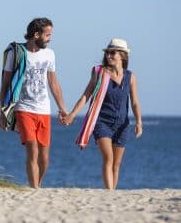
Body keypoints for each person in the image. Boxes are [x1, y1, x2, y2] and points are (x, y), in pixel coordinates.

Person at [61, 38, 143, 189]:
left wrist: (139, 122)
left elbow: (135, 102)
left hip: (122, 124)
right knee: (108, 158)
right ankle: (109, 193)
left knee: (116, 165)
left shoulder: (130, 77)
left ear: (123, 56)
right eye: (107, 53)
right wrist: (72, 114)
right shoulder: (99, 73)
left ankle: (112, 193)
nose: (109, 56)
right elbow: (86, 95)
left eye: (113, 53)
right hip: (101, 122)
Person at [0, 18, 68, 188]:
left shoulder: (49, 54)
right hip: (23, 108)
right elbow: (5, 83)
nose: (49, 38)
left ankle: (38, 183)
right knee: (32, 148)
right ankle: (34, 188)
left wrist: (62, 108)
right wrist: (3, 112)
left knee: (44, 158)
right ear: (36, 34)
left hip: (44, 109)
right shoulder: (16, 53)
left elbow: (53, 82)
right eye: (47, 35)